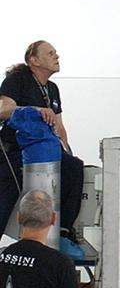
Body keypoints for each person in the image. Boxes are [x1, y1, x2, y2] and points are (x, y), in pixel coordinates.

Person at [0, 42, 84, 257]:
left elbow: (59, 126)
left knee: (73, 167)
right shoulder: (18, 80)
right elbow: (3, 109)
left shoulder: (52, 89)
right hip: (14, 153)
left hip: (44, 154)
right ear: (34, 60)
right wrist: (35, 110)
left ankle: (63, 231)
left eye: (56, 52)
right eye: (50, 53)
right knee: (4, 203)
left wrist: (66, 151)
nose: (57, 56)